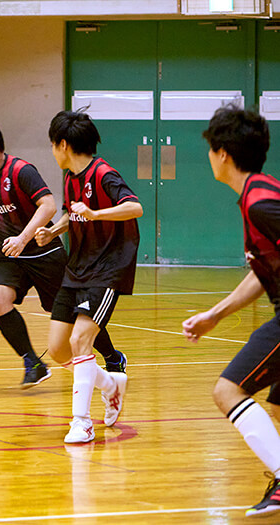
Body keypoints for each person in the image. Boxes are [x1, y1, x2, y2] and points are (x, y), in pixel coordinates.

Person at [0, 118, 127, 389]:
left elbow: (48, 205)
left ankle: (112, 357)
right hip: (8, 256)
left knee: (74, 315)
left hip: (44, 254)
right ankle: (33, 363)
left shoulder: (21, 171)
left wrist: (24, 238)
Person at [182, 106, 280, 518]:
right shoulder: (258, 193)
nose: (209, 156)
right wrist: (215, 315)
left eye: (210, 149)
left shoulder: (262, 203)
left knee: (228, 391)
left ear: (223, 154)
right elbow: (264, 270)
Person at [36, 110, 142, 443]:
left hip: (107, 268)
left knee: (80, 340)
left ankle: (81, 422)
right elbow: (73, 213)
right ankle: (110, 385)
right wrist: (54, 231)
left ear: (63, 145)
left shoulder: (104, 173)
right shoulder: (71, 178)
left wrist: (96, 214)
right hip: (77, 267)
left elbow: (134, 207)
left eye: (52, 145)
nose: (52, 151)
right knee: (58, 350)